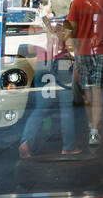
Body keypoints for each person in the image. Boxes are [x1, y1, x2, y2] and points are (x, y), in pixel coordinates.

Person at [18, 19, 80, 158]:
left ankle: (26, 142)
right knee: (66, 108)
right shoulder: (65, 26)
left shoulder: (38, 26)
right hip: (62, 65)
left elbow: (30, 50)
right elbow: (70, 48)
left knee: (40, 109)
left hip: (42, 64)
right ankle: (68, 146)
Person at [66, 0, 103, 145]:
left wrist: (71, 48)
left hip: (83, 50)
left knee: (87, 92)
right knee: (98, 91)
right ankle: (94, 131)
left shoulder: (77, 1)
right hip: (100, 50)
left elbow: (70, 28)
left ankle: (91, 125)